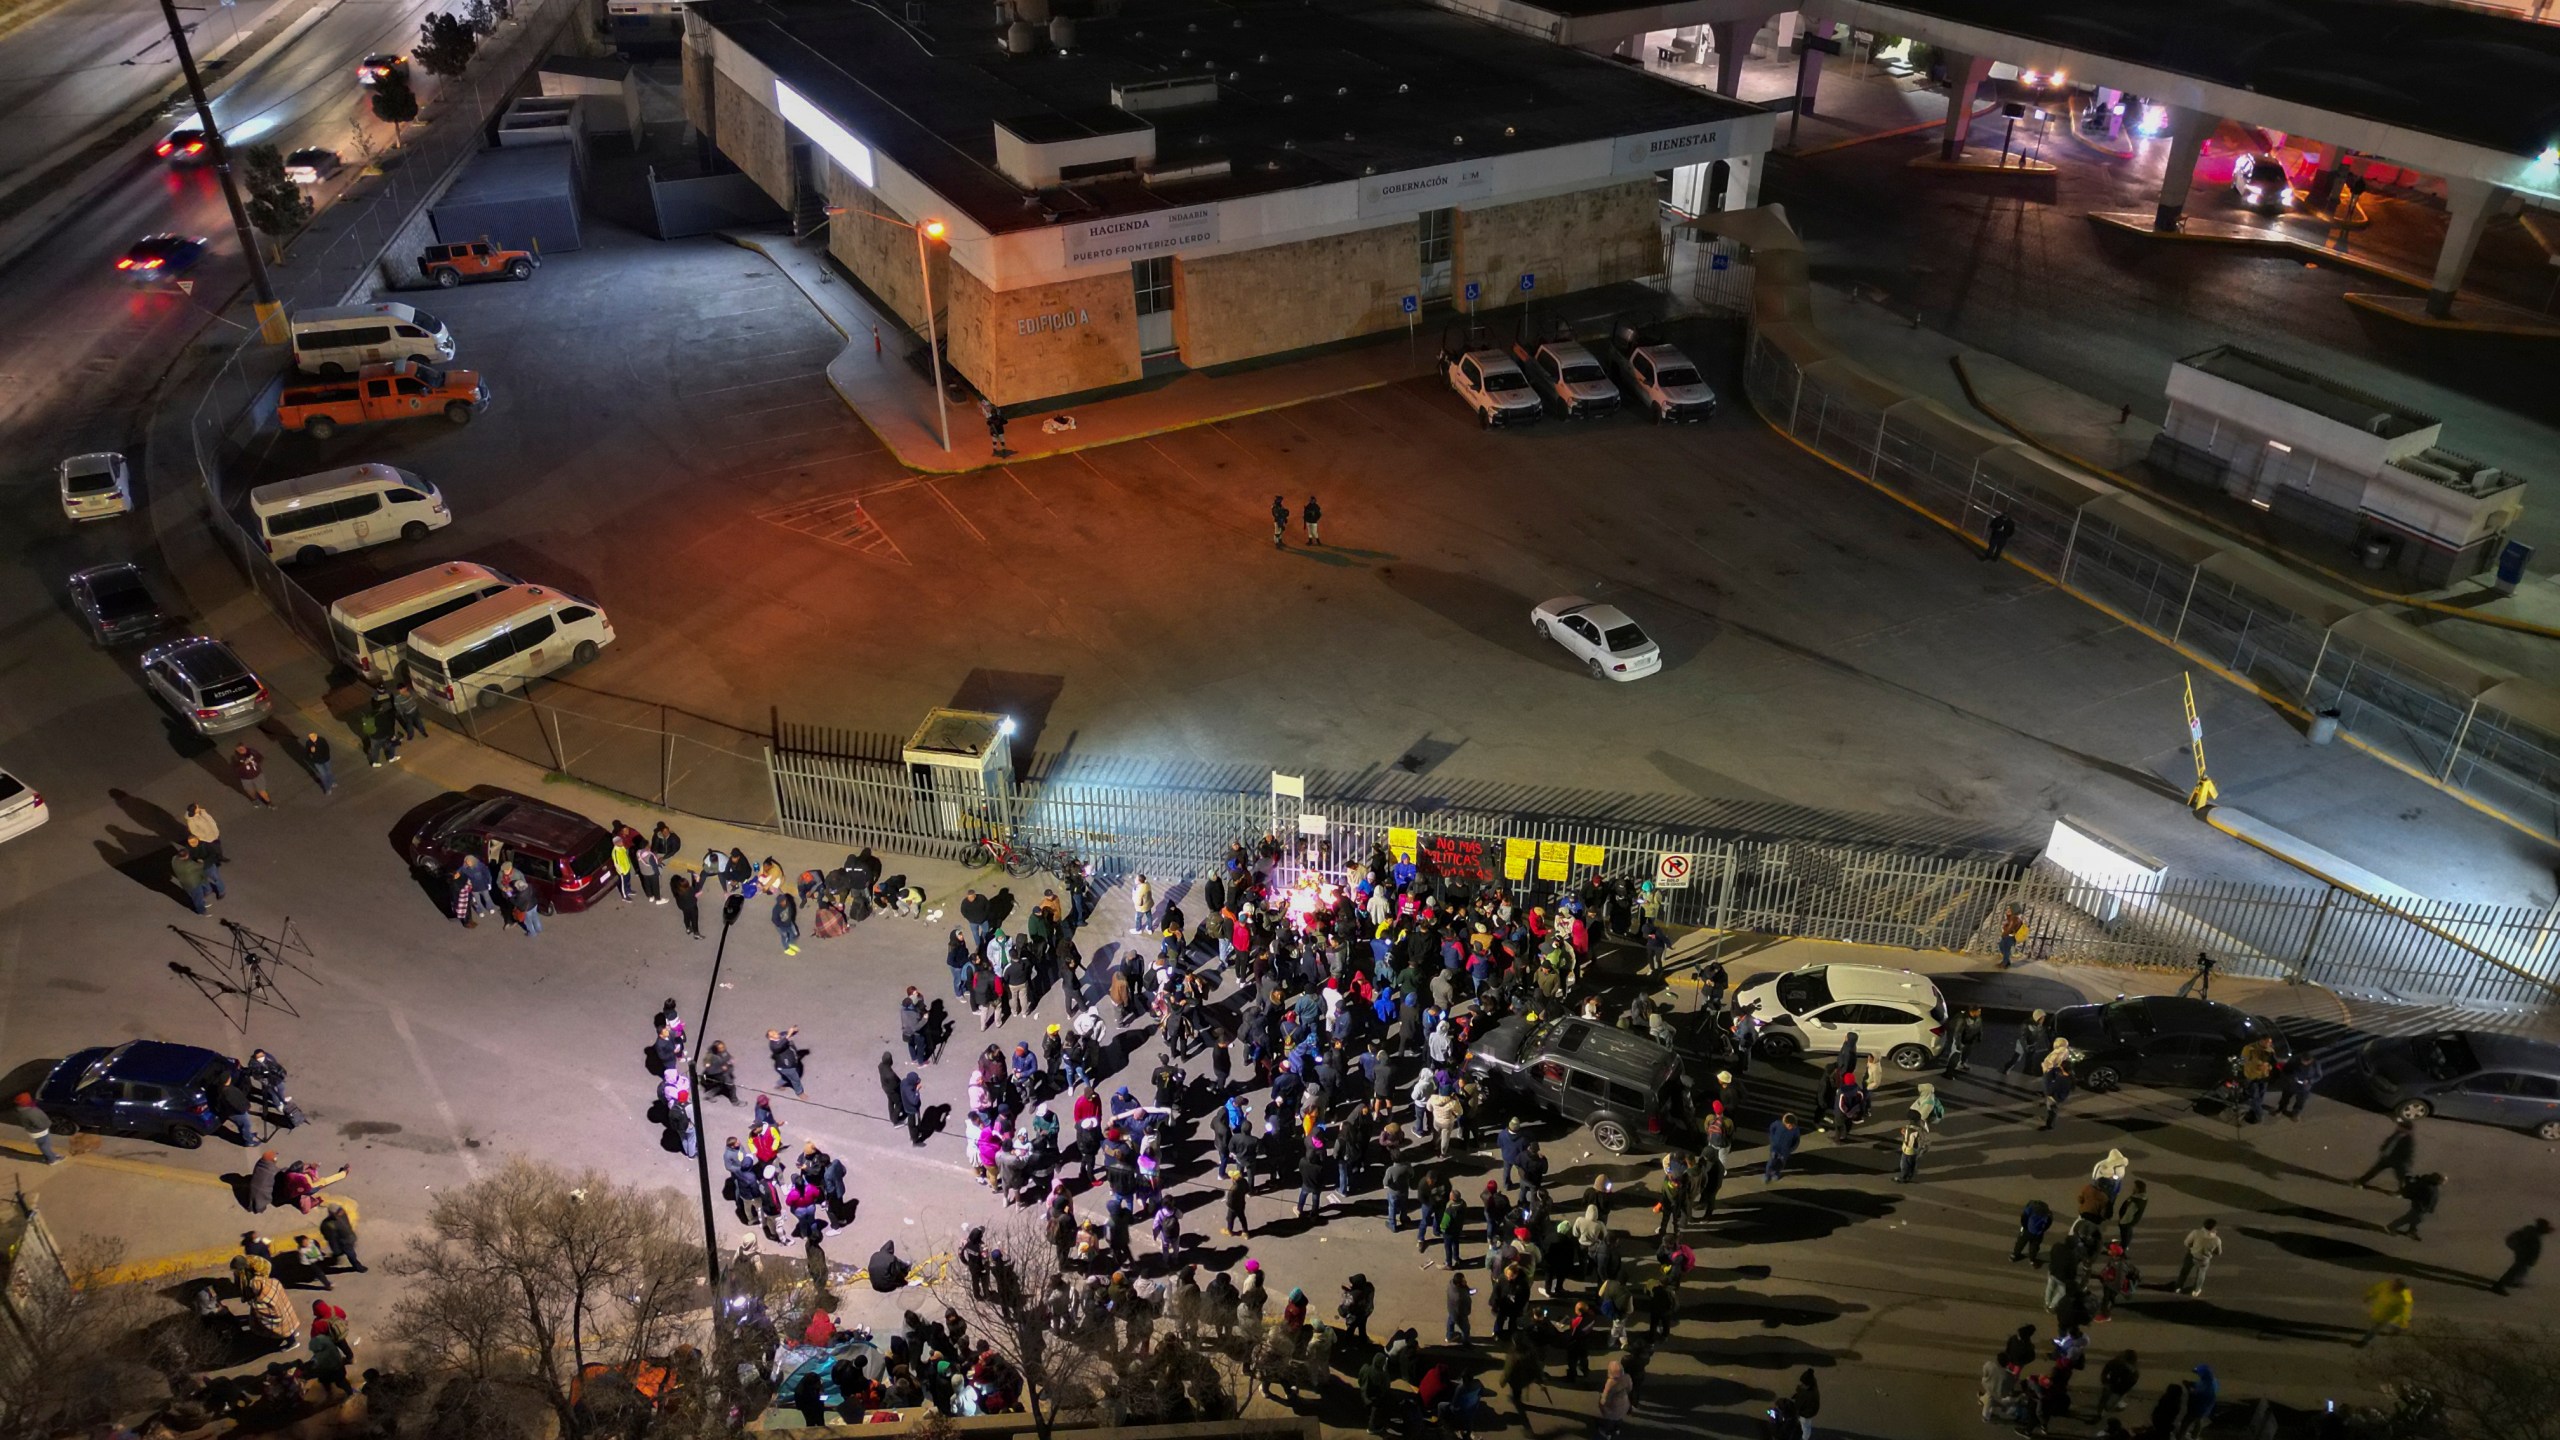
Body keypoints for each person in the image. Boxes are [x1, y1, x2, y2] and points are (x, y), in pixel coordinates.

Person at [2353, 1119, 2417, 1193]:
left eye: (2400, 1126)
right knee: (2374, 1170)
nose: (2398, 1127)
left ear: (2406, 1129)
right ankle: (2361, 1181)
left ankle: (2402, 1192)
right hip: (2387, 1158)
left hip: (2399, 1162)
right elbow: (2389, 1142)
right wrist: (2383, 1149)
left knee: (2401, 1178)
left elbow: (2408, 1153)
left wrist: (2406, 1163)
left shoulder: (2408, 1140)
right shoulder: (2397, 1133)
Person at [2493, 1217, 2551, 1295]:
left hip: (2523, 1253)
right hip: (2523, 1254)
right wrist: (2529, 1257)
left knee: (2521, 1269)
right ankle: (2499, 1286)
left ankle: (2511, 1281)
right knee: (2516, 1269)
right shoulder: (2532, 1234)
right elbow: (2531, 1247)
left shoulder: (2533, 1232)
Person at [2354, 1278, 2413, 1346]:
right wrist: (2369, 1296)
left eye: (2395, 1287)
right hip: (2377, 1311)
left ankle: (2364, 1341)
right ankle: (2397, 1329)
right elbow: (2376, 1289)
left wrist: (2404, 1321)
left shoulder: (2404, 1297)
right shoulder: (2386, 1285)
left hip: (2387, 1316)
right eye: (2393, 1285)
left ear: (2400, 1288)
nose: (2392, 1287)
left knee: (2374, 1328)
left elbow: (2405, 1311)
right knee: (2376, 1325)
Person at [2385, 1172, 2443, 1239]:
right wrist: (2422, 1205)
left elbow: (2432, 1198)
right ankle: (2390, 1227)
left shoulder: (2432, 1185)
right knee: (2408, 1218)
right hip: (2419, 1206)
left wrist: (2430, 1207)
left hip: (2423, 1207)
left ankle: (2411, 1231)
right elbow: (2419, 1195)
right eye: (2440, 1180)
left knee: (2416, 1219)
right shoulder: (2427, 1186)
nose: (2441, 1182)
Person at [2173, 1219, 2221, 1296]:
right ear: (2213, 1228)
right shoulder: (2216, 1240)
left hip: (2191, 1255)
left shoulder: (2195, 1233)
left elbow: (2186, 1243)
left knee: (2184, 1271)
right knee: (2201, 1274)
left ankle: (2178, 1287)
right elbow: (2218, 1252)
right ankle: (2196, 1290)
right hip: (2204, 1259)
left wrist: (2193, 1248)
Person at [10, 1094, 58, 1164]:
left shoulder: (22, 1110)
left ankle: (50, 1154)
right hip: (40, 1131)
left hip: (35, 1131)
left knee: (43, 1144)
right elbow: (40, 1124)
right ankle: (52, 1159)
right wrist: (48, 1124)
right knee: (44, 1145)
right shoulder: (30, 1112)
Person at [320, 1202, 363, 1272]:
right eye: (339, 1211)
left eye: (340, 1209)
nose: (341, 1211)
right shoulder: (328, 1225)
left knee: (342, 1253)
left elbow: (347, 1225)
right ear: (333, 1214)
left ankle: (337, 1255)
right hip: (343, 1243)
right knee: (351, 1255)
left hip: (349, 1238)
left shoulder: (342, 1214)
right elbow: (331, 1239)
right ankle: (358, 1267)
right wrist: (336, 1248)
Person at [1763, 1113, 1802, 1183]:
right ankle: (1767, 1175)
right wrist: (1772, 1139)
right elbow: (1772, 1128)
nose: (1790, 1127)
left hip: (1785, 1151)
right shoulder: (1778, 1124)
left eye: (1792, 1125)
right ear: (1785, 1123)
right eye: (1789, 1125)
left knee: (1781, 1163)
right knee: (1771, 1161)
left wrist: (1791, 1149)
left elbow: (1796, 1141)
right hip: (1775, 1148)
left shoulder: (1795, 1130)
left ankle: (1776, 1173)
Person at [769, 1028, 806, 1096]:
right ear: (770, 1038)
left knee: (786, 1077)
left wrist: (794, 1031)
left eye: (775, 1031)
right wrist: (789, 1034)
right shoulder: (774, 1046)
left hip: (792, 1062)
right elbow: (783, 1042)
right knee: (795, 1079)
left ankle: (778, 1085)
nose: (776, 1033)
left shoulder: (781, 1035)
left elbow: (789, 1033)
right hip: (786, 1066)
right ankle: (800, 1092)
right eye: (773, 1034)